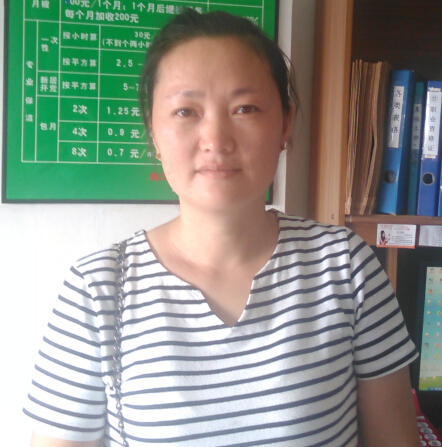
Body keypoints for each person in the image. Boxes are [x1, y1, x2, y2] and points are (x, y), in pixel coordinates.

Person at [25, 8, 420, 447]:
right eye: (185, 111)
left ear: (285, 122)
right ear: (153, 131)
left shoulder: (346, 267)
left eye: (244, 108)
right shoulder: (97, 290)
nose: (216, 139)